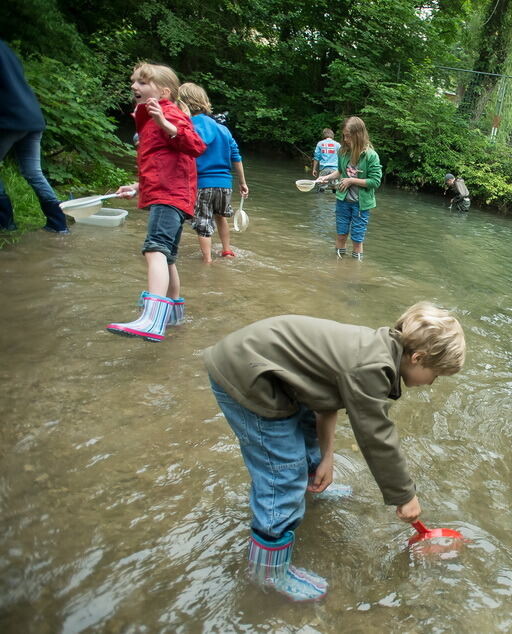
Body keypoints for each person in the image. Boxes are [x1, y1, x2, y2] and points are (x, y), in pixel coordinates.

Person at [203, 302, 466, 602]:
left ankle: (311, 485)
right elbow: (376, 436)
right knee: (282, 473)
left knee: (303, 431)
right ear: (418, 358)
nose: (432, 382)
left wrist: (326, 459)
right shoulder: (372, 367)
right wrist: (404, 495)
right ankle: (267, 572)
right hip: (247, 376)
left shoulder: (374, 348)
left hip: (269, 373)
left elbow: (325, 401)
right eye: (436, 374)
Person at [107, 62, 206, 342]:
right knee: (168, 257)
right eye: (134, 82)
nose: (134, 87)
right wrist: (139, 186)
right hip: (169, 193)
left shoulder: (169, 113)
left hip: (170, 196)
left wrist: (164, 122)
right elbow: (163, 162)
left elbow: (196, 146)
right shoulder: (150, 119)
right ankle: (172, 314)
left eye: (142, 82)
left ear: (163, 91)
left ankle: (152, 320)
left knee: (155, 250)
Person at [0, 40, 70, 234]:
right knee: (33, 172)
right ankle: (58, 225)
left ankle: (5, 224)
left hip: (8, 119)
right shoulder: (6, 48)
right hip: (32, 116)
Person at [177, 82, 249, 263]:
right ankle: (226, 250)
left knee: (202, 222)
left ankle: (207, 260)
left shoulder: (187, 127)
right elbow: (236, 157)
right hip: (224, 184)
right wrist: (242, 182)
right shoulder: (223, 129)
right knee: (221, 217)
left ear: (183, 103)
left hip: (202, 183)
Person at [315, 116, 382, 260]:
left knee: (357, 239)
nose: (345, 139)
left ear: (358, 135)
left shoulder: (371, 156)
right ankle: (338, 267)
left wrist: (352, 180)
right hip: (343, 201)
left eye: (348, 136)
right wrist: (325, 178)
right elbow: (339, 171)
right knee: (341, 234)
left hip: (361, 204)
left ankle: (355, 271)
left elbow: (375, 182)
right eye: (344, 136)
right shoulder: (343, 152)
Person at [311, 128, 340, 193]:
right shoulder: (337, 145)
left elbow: (316, 157)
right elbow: (341, 157)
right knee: (335, 187)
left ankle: (320, 201)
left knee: (321, 187)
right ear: (332, 135)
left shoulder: (320, 144)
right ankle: (334, 201)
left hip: (324, 169)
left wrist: (314, 169)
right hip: (335, 170)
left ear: (324, 135)